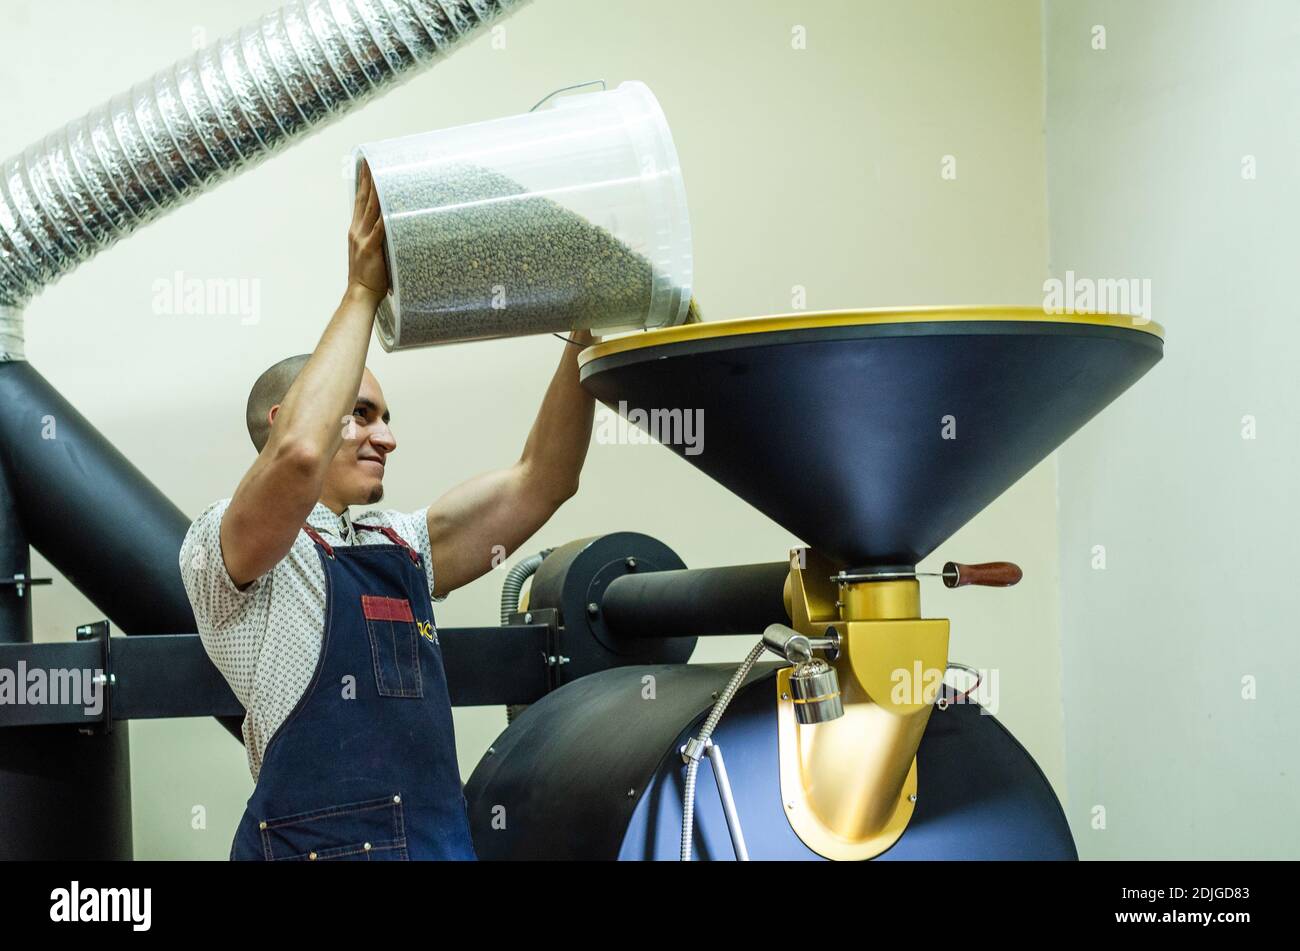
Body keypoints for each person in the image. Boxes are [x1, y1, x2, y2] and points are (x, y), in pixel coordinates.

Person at [179, 163, 597, 861]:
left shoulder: (402, 540)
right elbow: (298, 459)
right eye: (362, 414)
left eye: (387, 417)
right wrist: (362, 289)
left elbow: (544, 480)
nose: (388, 436)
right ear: (289, 417)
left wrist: (586, 337)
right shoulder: (227, 548)